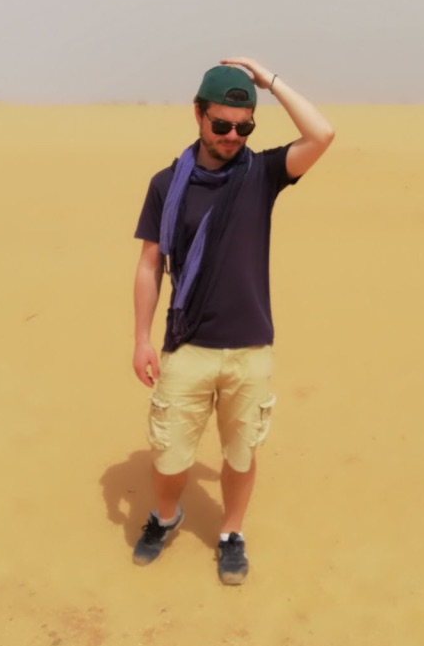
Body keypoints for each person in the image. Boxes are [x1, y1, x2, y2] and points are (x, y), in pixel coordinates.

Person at [131, 57, 334, 584]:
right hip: (187, 345)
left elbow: (322, 134)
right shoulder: (165, 185)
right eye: (221, 124)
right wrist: (141, 339)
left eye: (244, 128)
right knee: (170, 455)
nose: (232, 137)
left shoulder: (261, 175)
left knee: (241, 455)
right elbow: (150, 264)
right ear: (198, 114)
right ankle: (167, 516)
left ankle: (230, 534)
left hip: (250, 348)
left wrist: (269, 80)